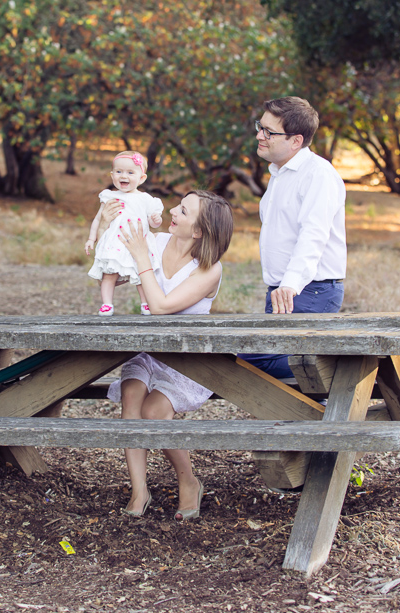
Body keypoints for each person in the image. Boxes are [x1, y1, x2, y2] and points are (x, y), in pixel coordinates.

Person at [102, 189, 234, 520]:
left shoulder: (209, 269)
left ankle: (188, 481)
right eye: (179, 205)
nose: (173, 211)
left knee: (153, 414)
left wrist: (142, 259)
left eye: (184, 211)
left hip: (186, 358)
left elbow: (161, 307)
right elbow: (112, 273)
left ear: (200, 231)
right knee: (132, 398)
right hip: (149, 351)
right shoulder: (156, 241)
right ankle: (139, 490)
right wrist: (106, 229)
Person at [240, 96, 347, 379]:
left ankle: (346, 369)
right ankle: (322, 398)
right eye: (260, 127)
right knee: (274, 368)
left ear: (296, 140)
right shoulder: (279, 174)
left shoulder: (318, 175)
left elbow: (313, 235)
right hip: (283, 292)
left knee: (249, 358)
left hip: (309, 291)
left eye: (269, 132)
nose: (259, 135)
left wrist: (289, 285)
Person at [85, 151, 164, 316]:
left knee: (142, 274)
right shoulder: (109, 196)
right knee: (109, 274)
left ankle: (145, 303)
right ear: (112, 175)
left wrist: (156, 220)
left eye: (130, 172)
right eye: (119, 172)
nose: (124, 176)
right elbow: (98, 219)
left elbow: (153, 223)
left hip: (138, 242)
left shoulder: (146, 199)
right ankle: (107, 304)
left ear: (142, 178)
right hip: (116, 241)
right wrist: (92, 238)